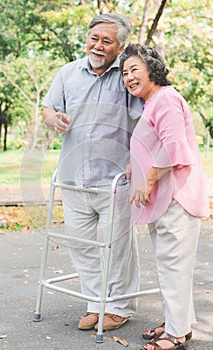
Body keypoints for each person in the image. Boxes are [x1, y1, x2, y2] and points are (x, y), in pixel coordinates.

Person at [42, 14, 144, 332]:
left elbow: (147, 120)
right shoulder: (68, 72)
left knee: (118, 246)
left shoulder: (128, 76)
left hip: (115, 179)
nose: (98, 46)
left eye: (107, 41)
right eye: (94, 38)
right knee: (82, 245)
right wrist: (52, 119)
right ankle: (95, 302)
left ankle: (119, 307)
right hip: (73, 177)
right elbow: (47, 108)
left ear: (121, 46)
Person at [120, 44, 209, 350]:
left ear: (152, 69)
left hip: (176, 198)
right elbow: (158, 142)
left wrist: (147, 181)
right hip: (165, 199)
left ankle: (178, 334)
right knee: (171, 265)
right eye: (124, 72)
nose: (129, 77)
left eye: (134, 69)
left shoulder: (166, 99)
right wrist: (137, 163)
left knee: (173, 265)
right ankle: (176, 323)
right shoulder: (154, 102)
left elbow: (174, 148)